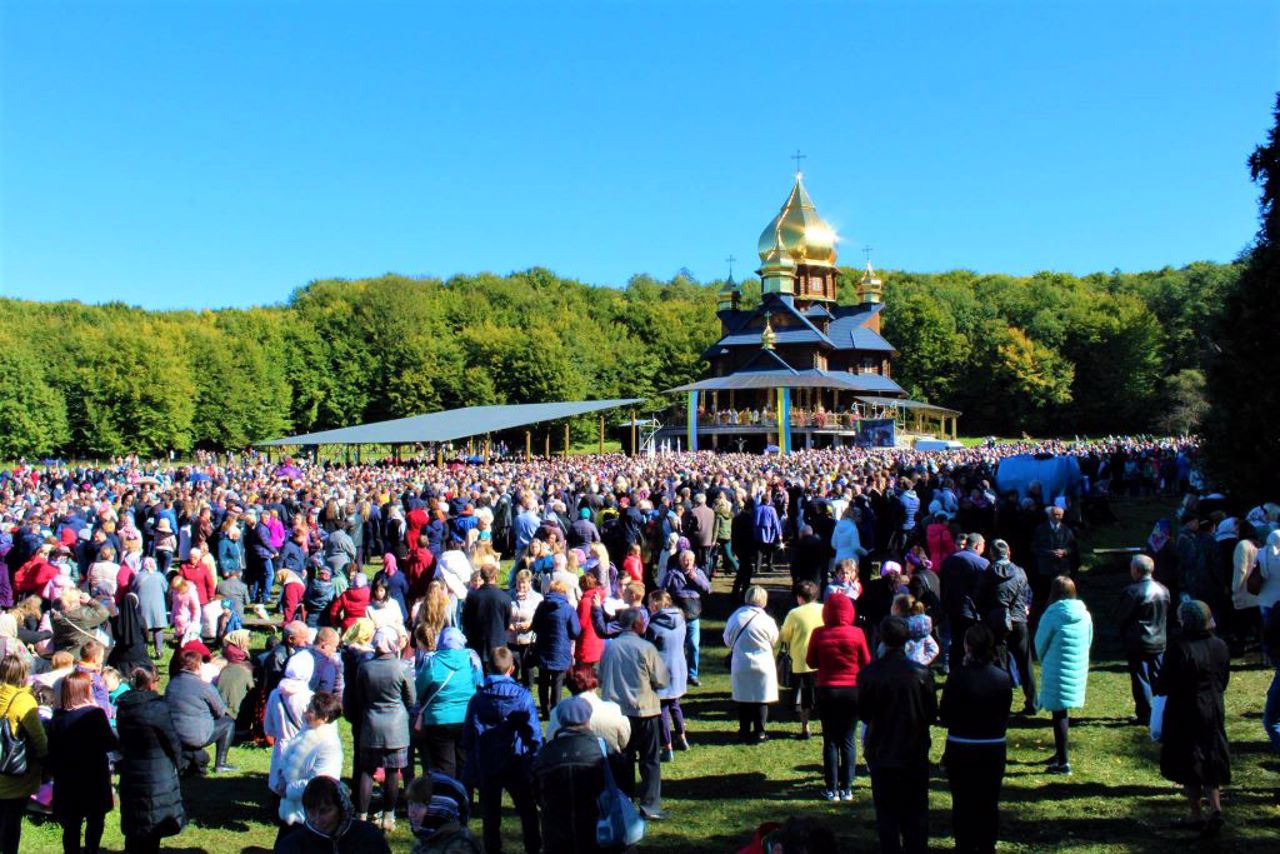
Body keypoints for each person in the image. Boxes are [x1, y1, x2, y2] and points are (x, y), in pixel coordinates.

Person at [858, 616, 936, 854]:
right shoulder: (921, 673)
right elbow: (931, 713)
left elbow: (863, 713)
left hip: (882, 750)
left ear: (882, 639)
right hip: (914, 750)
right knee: (916, 812)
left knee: (887, 813)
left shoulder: (869, 674)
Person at [1153, 600, 1231, 837]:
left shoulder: (1180, 648)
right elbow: (1224, 679)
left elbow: (1164, 683)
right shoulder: (1220, 645)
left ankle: (1196, 813)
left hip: (1184, 710)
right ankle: (1216, 808)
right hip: (1214, 706)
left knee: (1189, 761)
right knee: (1212, 754)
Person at [461, 645, 543, 854]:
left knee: (491, 814)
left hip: (488, 762)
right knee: (527, 810)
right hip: (516, 759)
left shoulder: (478, 699)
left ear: (488, 668)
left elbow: (468, 734)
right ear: (512, 669)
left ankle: (493, 849)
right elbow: (534, 733)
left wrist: (472, 755)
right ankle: (533, 847)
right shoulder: (522, 696)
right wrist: (535, 758)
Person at [939, 624, 1012, 854]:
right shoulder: (1002, 678)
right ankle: (987, 845)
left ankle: (965, 845)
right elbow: (1004, 712)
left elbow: (946, 715)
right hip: (992, 747)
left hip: (962, 746)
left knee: (962, 803)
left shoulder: (958, 677)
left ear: (967, 646)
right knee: (989, 802)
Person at [532, 694, 629, 854]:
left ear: (561, 721)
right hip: (597, 828)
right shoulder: (603, 750)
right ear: (588, 719)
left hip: (556, 832)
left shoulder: (546, 753)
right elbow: (623, 784)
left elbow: (536, 791)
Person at [598, 607, 669, 820]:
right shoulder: (646, 648)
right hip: (645, 710)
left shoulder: (609, 648)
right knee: (650, 760)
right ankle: (650, 805)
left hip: (617, 713)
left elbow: (600, 677)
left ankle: (624, 801)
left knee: (622, 760)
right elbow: (662, 680)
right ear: (637, 624)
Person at [805, 591, 871, 801]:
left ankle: (831, 787)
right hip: (852, 690)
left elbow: (811, 661)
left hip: (827, 690)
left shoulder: (818, 633)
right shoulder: (857, 633)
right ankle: (847, 787)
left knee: (830, 740)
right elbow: (866, 661)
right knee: (848, 739)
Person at [350, 625, 415, 830]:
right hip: (396, 726)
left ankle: (361, 814)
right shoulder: (402, 667)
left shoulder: (365, 668)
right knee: (392, 771)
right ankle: (389, 815)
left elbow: (358, 698)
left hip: (371, 723)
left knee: (366, 771)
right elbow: (411, 699)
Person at [116, 663, 185, 854]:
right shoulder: (157, 708)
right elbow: (172, 740)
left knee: (135, 821)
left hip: (132, 770)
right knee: (154, 822)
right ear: (151, 683)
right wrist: (179, 764)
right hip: (157, 772)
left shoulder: (124, 707)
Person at [49, 670, 118, 854]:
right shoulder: (94, 715)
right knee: (95, 820)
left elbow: (52, 750)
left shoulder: (58, 717)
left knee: (72, 824)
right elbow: (110, 743)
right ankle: (91, 850)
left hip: (67, 779)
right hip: (93, 776)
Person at [1034, 576, 1093, 775]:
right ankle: (1060, 753)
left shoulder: (1051, 614)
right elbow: (1089, 639)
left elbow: (1040, 642)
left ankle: (1063, 763)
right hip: (1076, 666)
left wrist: (1043, 660)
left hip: (1056, 667)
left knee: (1058, 713)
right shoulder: (1084, 614)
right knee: (1062, 711)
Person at [414, 626, 482, 781]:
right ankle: (465, 800)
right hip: (466, 718)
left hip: (439, 720)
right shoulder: (471, 658)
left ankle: (447, 799)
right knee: (464, 762)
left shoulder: (433, 662)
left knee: (444, 765)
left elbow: (418, 689)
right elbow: (479, 683)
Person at [275, 692, 344, 842]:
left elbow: (321, 783)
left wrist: (287, 790)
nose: (305, 713)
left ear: (324, 718)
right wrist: (281, 776)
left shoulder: (329, 745)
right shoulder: (307, 730)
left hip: (309, 818)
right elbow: (289, 758)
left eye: (311, 711)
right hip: (292, 813)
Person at [0, 654, 48, 854]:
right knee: (12, 821)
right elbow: (39, 739)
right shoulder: (24, 701)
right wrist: (46, 760)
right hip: (14, 772)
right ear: (23, 674)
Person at [1116, 553, 1170, 725]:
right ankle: (1163, 710)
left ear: (1136, 570)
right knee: (1159, 678)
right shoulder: (1163, 589)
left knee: (1141, 679)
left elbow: (1121, 616)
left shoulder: (1132, 592)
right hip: (1159, 639)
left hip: (1139, 642)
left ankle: (1145, 713)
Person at [274, 775, 391, 854]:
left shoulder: (368, 836)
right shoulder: (293, 846)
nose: (317, 820)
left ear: (341, 808)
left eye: (324, 811)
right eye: (311, 811)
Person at [724, 586, 781, 744]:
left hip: (741, 663)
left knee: (743, 700)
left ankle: (743, 731)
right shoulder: (767, 620)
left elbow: (727, 639)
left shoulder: (736, 617)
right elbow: (774, 640)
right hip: (763, 664)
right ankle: (760, 732)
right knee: (761, 699)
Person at [166, 647, 236, 773]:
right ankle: (221, 763)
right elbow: (220, 711)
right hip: (197, 736)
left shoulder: (171, 684)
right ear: (197, 666)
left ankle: (191, 759)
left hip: (175, 734)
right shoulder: (204, 686)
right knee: (228, 723)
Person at [545, 662, 631, 752]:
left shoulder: (556, 713)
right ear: (594, 681)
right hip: (607, 762)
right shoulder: (613, 711)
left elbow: (550, 740)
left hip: (568, 761)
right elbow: (624, 741)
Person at [645, 589, 688, 760]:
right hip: (678, 667)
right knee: (675, 704)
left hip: (661, 670)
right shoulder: (681, 620)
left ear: (655, 604)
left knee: (661, 708)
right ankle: (682, 736)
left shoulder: (654, 625)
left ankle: (667, 746)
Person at [778, 581, 825, 740]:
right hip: (822, 659)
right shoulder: (824, 609)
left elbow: (784, 635)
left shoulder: (794, 614)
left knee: (805, 695)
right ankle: (825, 725)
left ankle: (805, 727)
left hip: (802, 660)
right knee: (822, 694)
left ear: (799, 597)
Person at [530, 578, 581, 714]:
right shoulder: (568, 608)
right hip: (561, 650)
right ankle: (555, 710)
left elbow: (534, 626)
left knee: (543, 681)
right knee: (557, 682)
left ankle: (545, 709)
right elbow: (575, 631)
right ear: (564, 592)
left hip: (543, 649)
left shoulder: (542, 606)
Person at [661, 548, 710, 686]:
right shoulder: (672, 574)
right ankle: (678, 674)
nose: (688, 562)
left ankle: (693, 675)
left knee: (694, 645)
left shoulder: (699, 572)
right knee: (678, 646)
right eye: (685, 559)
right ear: (680, 560)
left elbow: (708, 588)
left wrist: (696, 578)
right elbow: (663, 591)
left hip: (694, 615)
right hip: (678, 617)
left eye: (690, 560)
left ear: (694, 561)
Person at [941, 533, 989, 673]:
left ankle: (955, 672)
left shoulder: (949, 560)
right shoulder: (981, 563)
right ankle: (971, 671)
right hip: (971, 610)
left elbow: (943, 585)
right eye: (983, 547)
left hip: (951, 608)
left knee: (955, 642)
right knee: (972, 643)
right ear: (977, 545)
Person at [405, 772, 481, 853]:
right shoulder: (428, 839)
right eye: (411, 804)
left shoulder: (459, 847)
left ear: (443, 808)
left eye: (420, 805)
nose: (411, 813)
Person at [462, 562, 512, 670]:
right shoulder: (504, 597)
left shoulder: (472, 597)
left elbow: (465, 621)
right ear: (495, 576)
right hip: (497, 642)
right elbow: (507, 622)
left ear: (482, 577)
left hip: (477, 642)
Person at [1030, 506, 1078, 616]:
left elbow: (1073, 547)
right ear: (1050, 515)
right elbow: (1035, 547)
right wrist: (1049, 553)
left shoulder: (1067, 530)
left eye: (1059, 515)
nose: (1056, 517)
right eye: (1054, 514)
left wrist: (1064, 552)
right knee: (1044, 593)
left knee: (1061, 592)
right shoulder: (1041, 529)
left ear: (1062, 516)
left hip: (1062, 568)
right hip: (1045, 568)